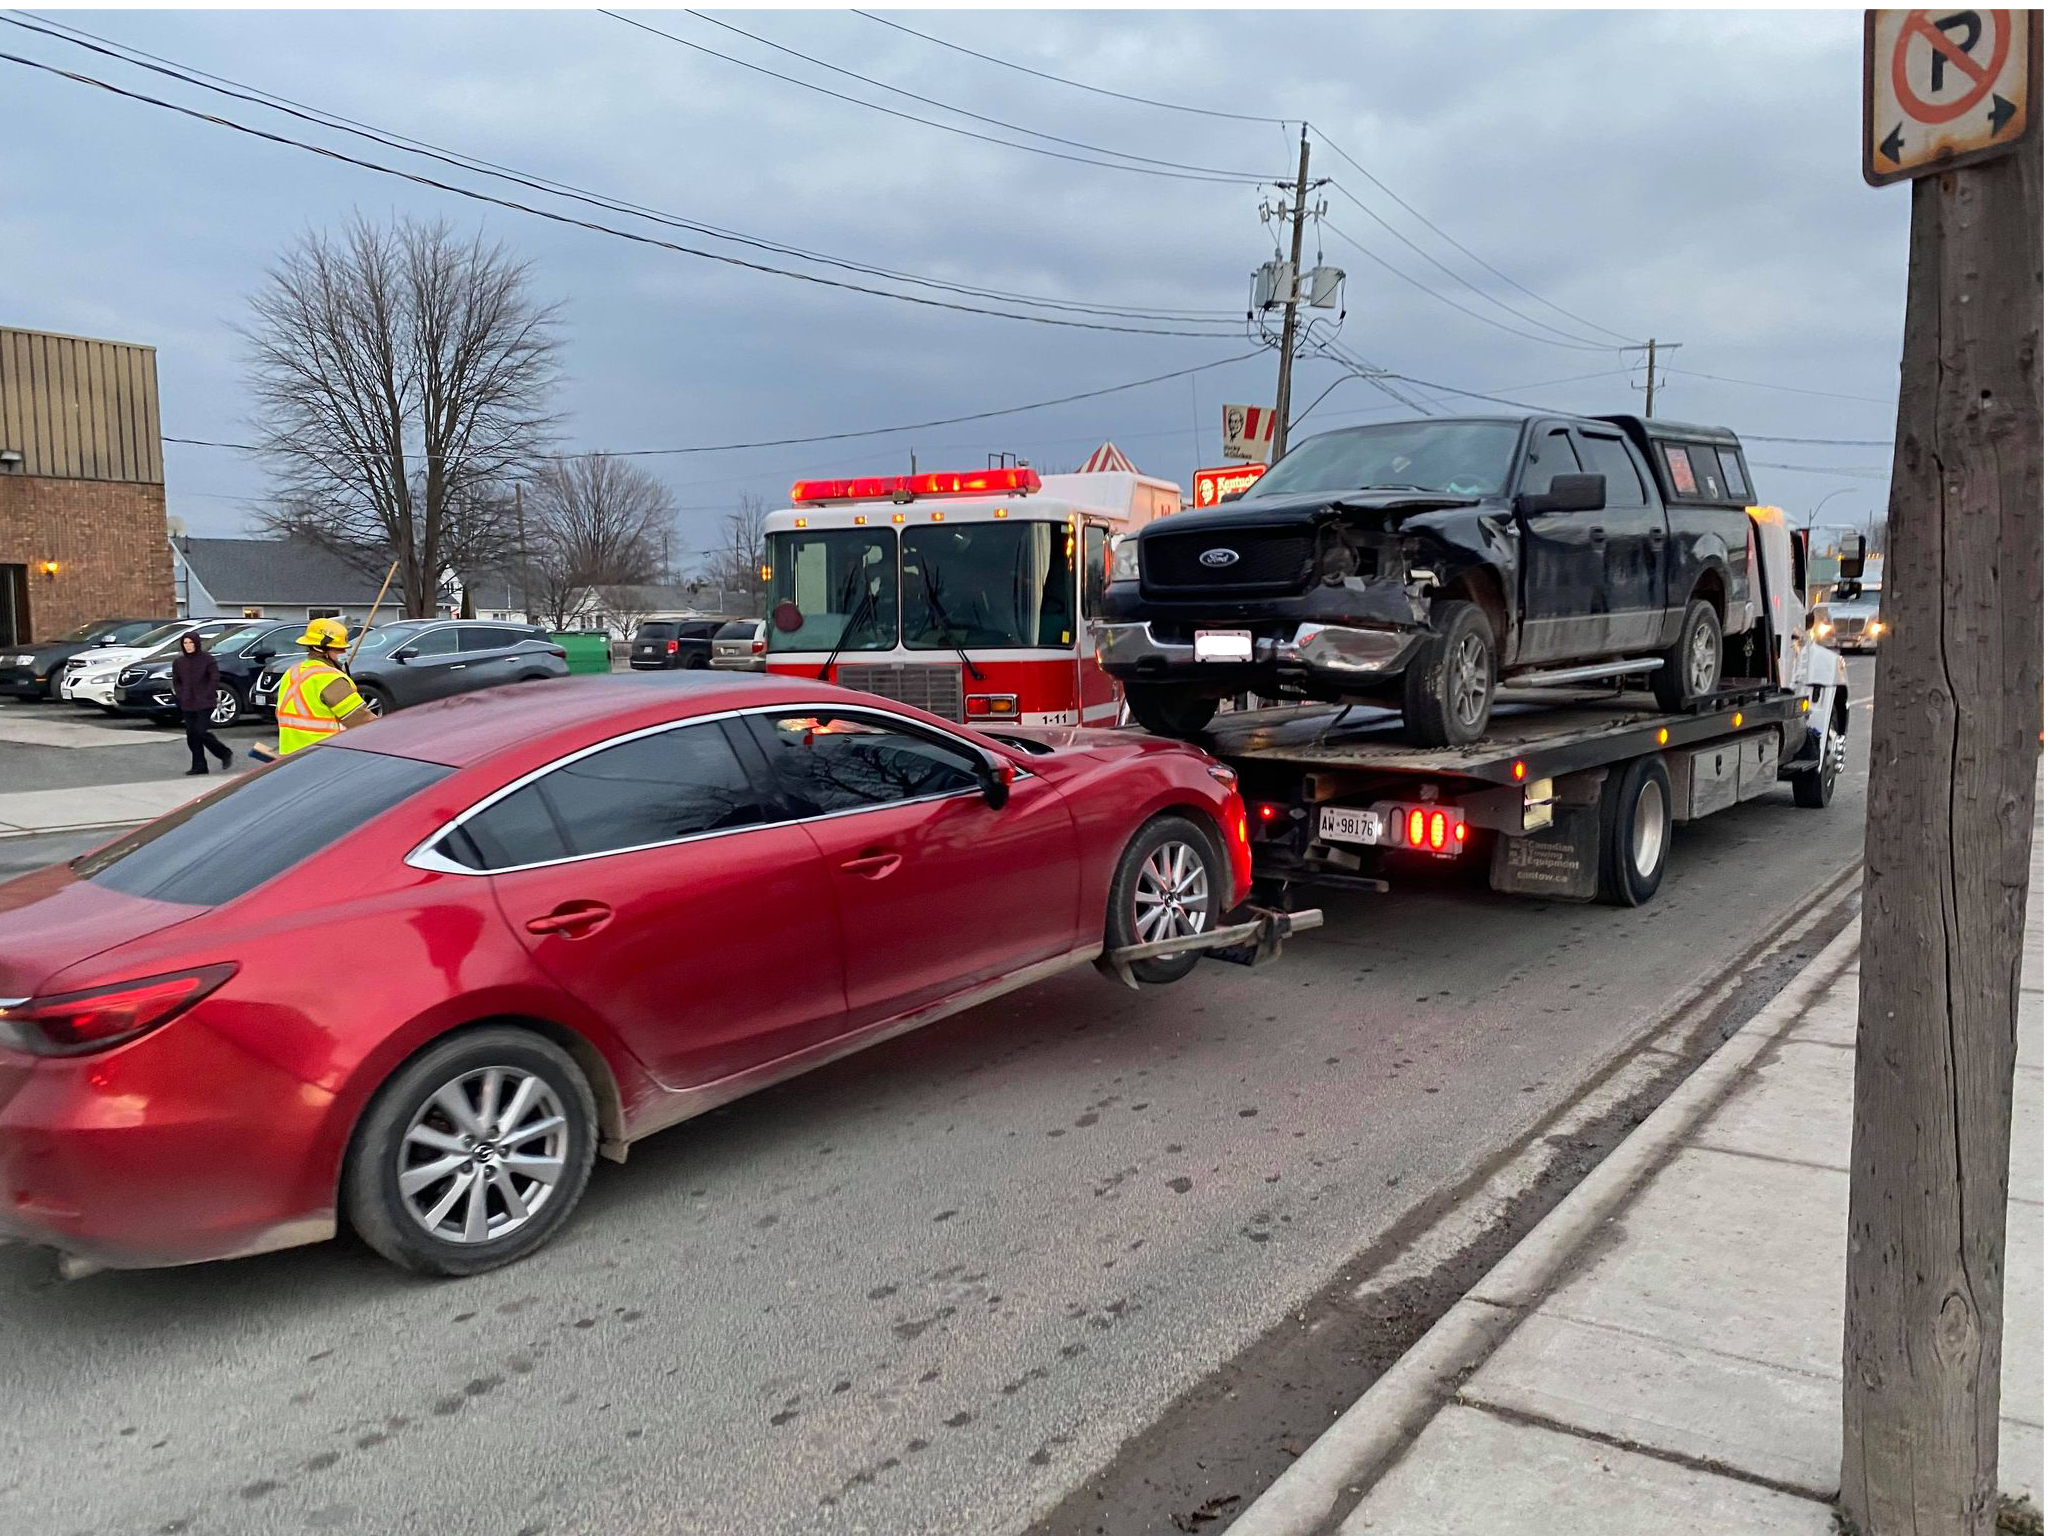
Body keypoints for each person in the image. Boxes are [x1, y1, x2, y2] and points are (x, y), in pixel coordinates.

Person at [271, 617, 370, 757]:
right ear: (319, 648)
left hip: (289, 755)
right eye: (339, 649)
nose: (344, 653)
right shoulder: (330, 678)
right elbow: (361, 719)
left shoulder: (292, 672)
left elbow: (280, 713)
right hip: (325, 755)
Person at [172, 631, 235, 776]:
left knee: (201, 731)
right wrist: (181, 695)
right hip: (187, 702)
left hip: (205, 702)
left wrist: (208, 693)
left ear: (197, 643)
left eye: (191, 643)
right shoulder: (179, 662)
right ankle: (199, 765)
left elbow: (214, 678)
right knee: (192, 735)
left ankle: (224, 753)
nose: (188, 646)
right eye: (185, 643)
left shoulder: (207, 659)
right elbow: (177, 681)